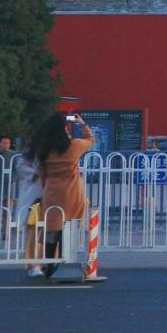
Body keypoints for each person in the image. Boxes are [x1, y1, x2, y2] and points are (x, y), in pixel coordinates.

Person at [37, 113, 95, 278]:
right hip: (71, 192)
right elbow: (91, 139)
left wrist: (45, 191)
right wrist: (82, 124)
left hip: (52, 192)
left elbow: (43, 176)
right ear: (64, 128)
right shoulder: (74, 146)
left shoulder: (45, 150)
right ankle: (65, 262)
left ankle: (49, 265)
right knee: (68, 228)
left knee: (52, 230)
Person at [13, 129, 44, 277]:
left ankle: (46, 262)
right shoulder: (31, 152)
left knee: (49, 231)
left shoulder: (56, 148)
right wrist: (35, 174)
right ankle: (33, 264)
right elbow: (20, 166)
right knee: (33, 229)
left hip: (52, 192)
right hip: (35, 193)